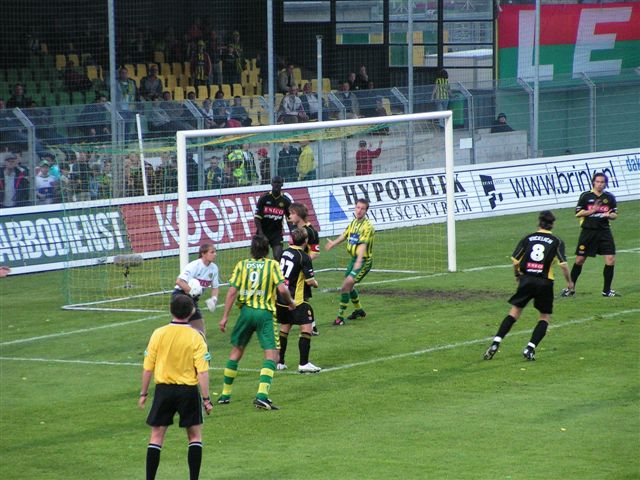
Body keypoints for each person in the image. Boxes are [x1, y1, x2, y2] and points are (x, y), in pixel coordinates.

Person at [138, 294, 213, 480]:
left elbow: (148, 367)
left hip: (163, 390)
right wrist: (206, 399)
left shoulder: (158, 333)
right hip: (187, 391)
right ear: (192, 312)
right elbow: (202, 372)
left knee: (156, 436)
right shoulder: (197, 337)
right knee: (194, 436)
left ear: (171, 310)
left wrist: (143, 393)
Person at [217, 234, 296, 410]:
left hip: (245, 312)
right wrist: (291, 303)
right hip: (264, 314)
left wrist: (225, 317)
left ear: (251, 249)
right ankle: (262, 396)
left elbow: (231, 292)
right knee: (272, 355)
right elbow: (282, 289)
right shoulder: (272, 265)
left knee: (237, 351)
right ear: (267, 250)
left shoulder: (242, 265)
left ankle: (225, 394)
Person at [483, 210, 573, 361]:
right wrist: (569, 282)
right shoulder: (557, 241)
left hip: (526, 279)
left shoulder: (528, 238)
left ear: (539, 223)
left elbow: (515, 260)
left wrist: (517, 275)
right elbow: (563, 265)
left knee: (515, 312)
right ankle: (530, 348)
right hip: (545, 282)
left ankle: (495, 343)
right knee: (544, 316)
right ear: (552, 224)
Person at [561, 172, 620, 298]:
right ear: (593, 182)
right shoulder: (586, 196)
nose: (599, 184)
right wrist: (592, 210)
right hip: (588, 232)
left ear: (605, 184)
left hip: (604, 232)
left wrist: (609, 215)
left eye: (602, 182)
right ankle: (570, 289)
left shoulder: (609, 197)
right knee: (580, 260)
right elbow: (577, 213)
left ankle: (607, 290)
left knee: (610, 260)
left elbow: (615, 214)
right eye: (597, 182)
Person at [276, 227, 321, 373]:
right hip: (296, 300)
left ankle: (280, 362)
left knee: (284, 327)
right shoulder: (304, 256)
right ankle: (303, 363)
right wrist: (316, 283)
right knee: (307, 327)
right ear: (306, 241)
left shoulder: (284, 252)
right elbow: (309, 281)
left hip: (281, 298)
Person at [325, 198, 374, 326]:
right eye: (358, 207)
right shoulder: (353, 223)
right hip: (354, 259)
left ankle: (340, 317)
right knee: (349, 285)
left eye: (362, 209)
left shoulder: (367, 226)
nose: (359, 211)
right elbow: (345, 235)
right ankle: (359, 310)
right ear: (355, 208)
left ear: (366, 211)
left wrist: (358, 261)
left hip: (363, 261)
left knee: (345, 286)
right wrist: (333, 243)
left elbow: (363, 245)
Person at [173, 243, 220, 337]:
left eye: (215, 252)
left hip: (192, 298)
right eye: (212, 252)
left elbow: (215, 287)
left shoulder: (214, 268)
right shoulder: (194, 266)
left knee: (199, 327)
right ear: (203, 254)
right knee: (182, 325)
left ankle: (201, 348)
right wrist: (191, 291)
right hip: (180, 296)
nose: (215, 254)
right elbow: (179, 281)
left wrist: (214, 299)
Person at [288, 202, 321, 336]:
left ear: (299, 215)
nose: (289, 216)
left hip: (303, 271)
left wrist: (302, 262)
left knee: (304, 299)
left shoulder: (311, 231)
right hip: (295, 270)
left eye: (291, 213)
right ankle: (310, 326)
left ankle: (311, 326)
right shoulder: (295, 229)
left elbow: (315, 252)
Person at [254, 176, 291, 261]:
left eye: (279, 183)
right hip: (263, 231)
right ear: (271, 183)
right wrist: (261, 233)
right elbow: (257, 218)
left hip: (276, 233)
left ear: (282, 184)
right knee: (260, 258)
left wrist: (292, 233)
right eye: (275, 182)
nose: (276, 185)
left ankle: (278, 273)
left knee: (278, 257)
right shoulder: (264, 198)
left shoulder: (286, 201)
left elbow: (289, 219)